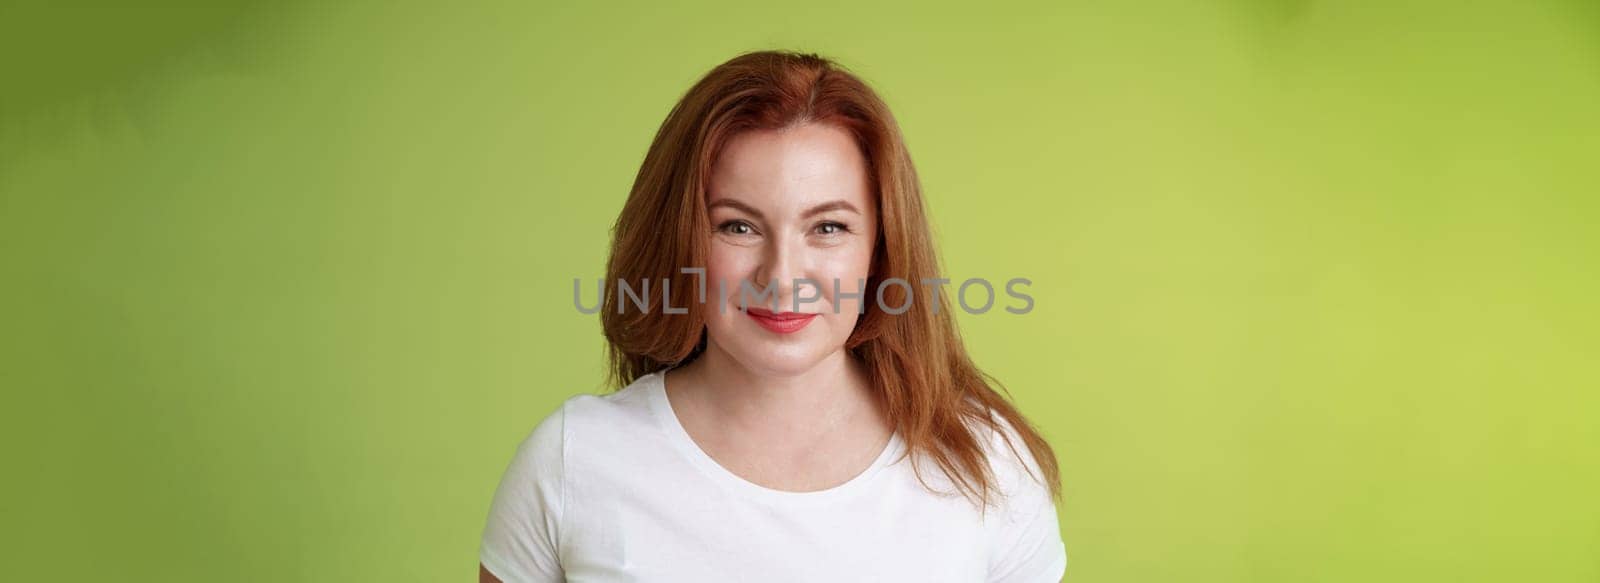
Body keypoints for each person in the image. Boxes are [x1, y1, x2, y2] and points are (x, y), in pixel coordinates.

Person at [478, 50, 1066, 582]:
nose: (782, 277)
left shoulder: (989, 469)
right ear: (680, 241)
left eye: (828, 227)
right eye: (738, 226)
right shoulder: (572, 460)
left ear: (881, 250)